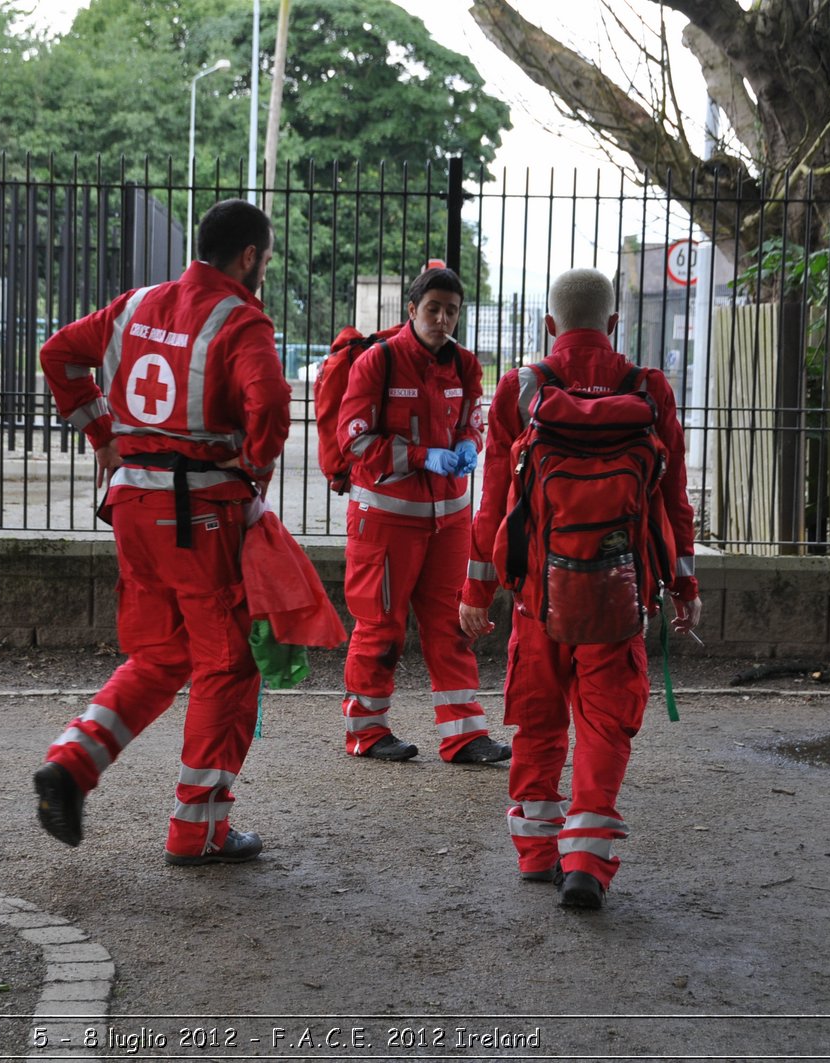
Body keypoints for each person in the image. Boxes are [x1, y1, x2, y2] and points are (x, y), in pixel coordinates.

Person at [33, 198, 291, 866]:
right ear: (249, 258)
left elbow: (58, 355)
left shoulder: (134, 303)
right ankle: (197, 829)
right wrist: (252, 470)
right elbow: (271, 406)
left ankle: (72, 761)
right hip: (201, 515)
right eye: (266, 258)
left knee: (160, 654)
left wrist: (103, 437)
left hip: (133, 508)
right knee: (228, 665)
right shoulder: (242, 320)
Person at [459, 267, 701, 909]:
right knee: (603, 724)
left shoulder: (520, 388)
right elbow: (673, 498)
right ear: (615, 325)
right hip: (622, 596)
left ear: (548, 326)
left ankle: (538, 852)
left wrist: (477, 593)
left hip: (541, 597)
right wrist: (684, 582)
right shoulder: (649, 389)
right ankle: (587, 862)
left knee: (538, 719)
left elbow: (491, 507)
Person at [336, 266, 510, 765]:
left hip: (448, 519)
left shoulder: (466, 366)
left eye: (451, 310)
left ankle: (464, 735)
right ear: (411, 310)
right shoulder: (378, 363)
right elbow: (355, 441)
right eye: (432, 308)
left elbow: (474, 420)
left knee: (453, 625)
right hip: (385, 521)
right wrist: (421, 456)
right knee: (380, 625)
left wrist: (467, 445)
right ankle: (366, 732)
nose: (441, 319)